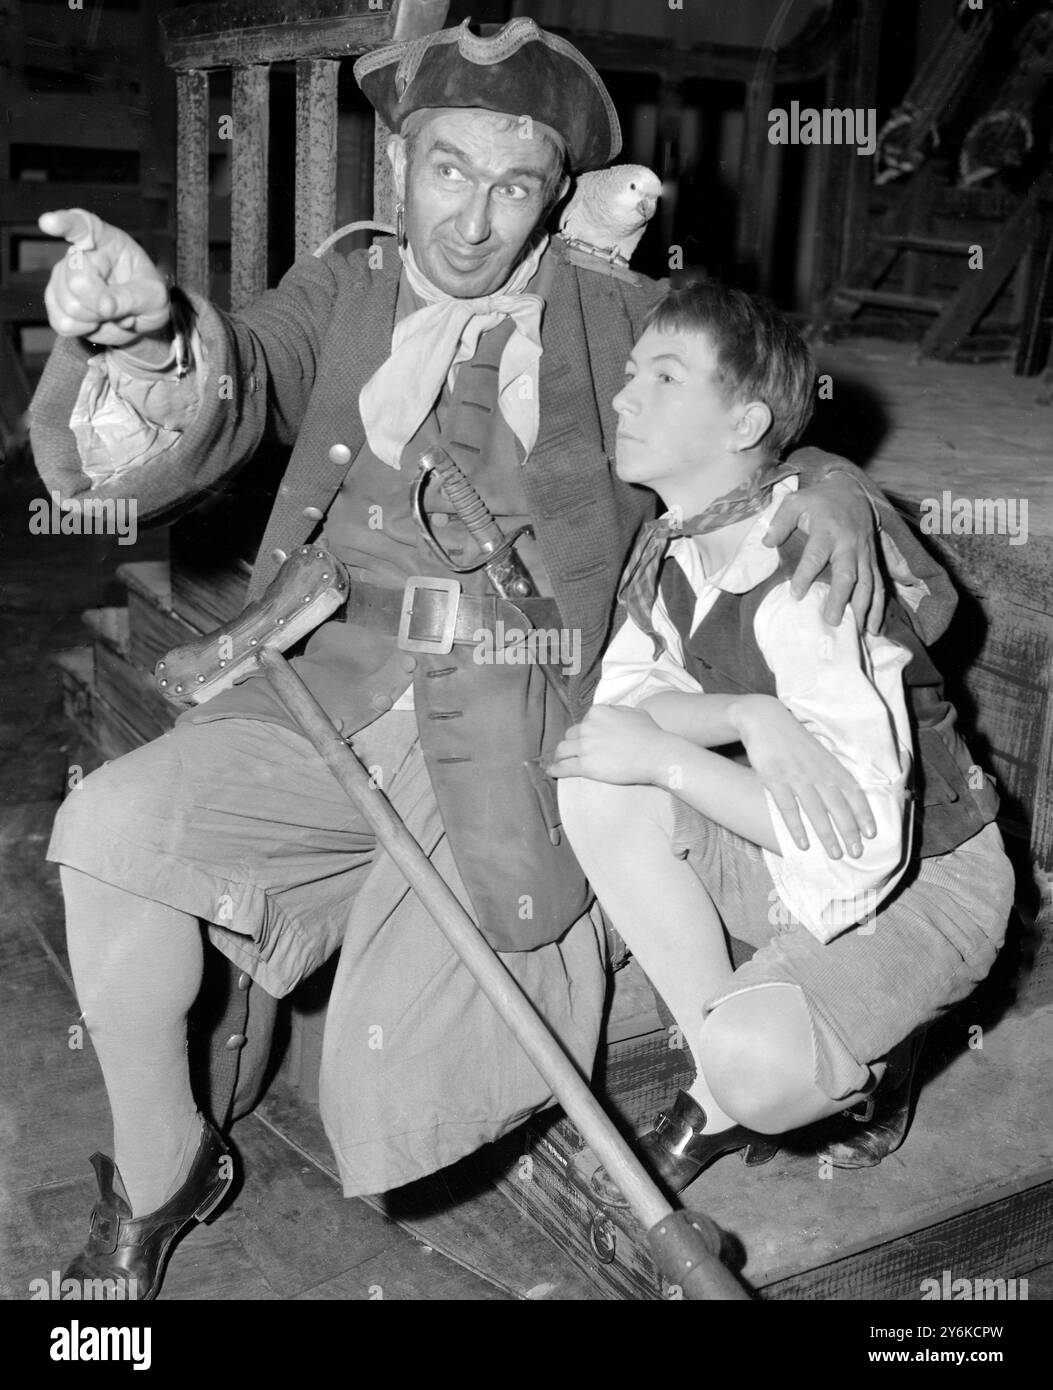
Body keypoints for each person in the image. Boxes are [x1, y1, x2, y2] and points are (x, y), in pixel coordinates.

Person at [30, 18, 934, 1299]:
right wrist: (146, 333)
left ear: (555, 195)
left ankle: (833, 1059)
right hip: (325, 682)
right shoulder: (342, 290)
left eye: (514, 186)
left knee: (389, 1093)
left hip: (514, 724)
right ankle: (165, 1163)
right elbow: (235, 376)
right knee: (113, 829)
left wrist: (831, 480)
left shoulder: (620, 314)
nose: (472, 219)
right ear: (401, 163)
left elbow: (754, 410)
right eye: (447, 170)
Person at [551, 280, 1013, 1199]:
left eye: (665, 377)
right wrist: (740, 719)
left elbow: (866, 851)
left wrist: (673, 760)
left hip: (927, 878)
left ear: (744, 424)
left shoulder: (808, 577)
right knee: (595, 773)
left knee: (761, 1063)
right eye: (633, 371)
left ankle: (827, 1075)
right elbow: (622, 708)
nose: (623, 396)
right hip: (812, 839)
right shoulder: (677, 550)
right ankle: (718, 1080)